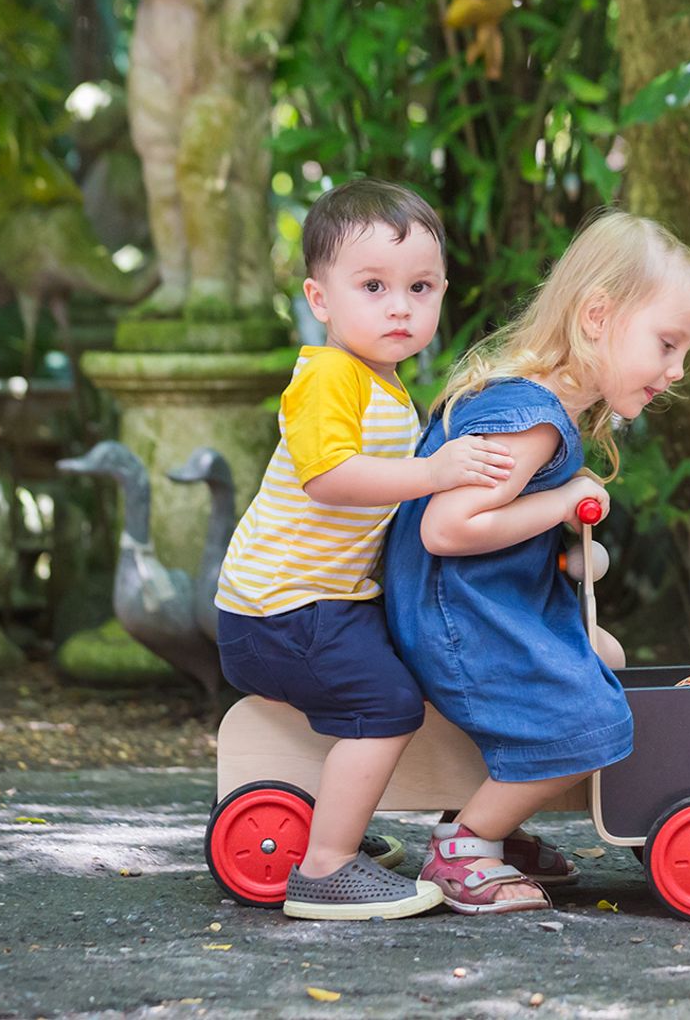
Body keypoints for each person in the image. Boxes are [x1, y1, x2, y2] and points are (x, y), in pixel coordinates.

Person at [384, 210, 690, 913]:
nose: (678, 368)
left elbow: (497, 528)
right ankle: (465, 846)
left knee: (609, 656)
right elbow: (446, 530)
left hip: (485, 602)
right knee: (590, 715)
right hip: (457, 618)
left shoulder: (545, 409)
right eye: (666, 342)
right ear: (598, 314)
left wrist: (565, 550)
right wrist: (565, 499)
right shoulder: (530, 416)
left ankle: (497, 820)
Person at [214, 179, 516, 920]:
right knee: (385, 703)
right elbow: (329, 478)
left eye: (420, 287)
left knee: (425, 661)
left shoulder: (385, 386)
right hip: (281, 606)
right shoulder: (326, 377)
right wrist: (434, 472)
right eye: (373, 286)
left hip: (325, 601)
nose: (399, 307)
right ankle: (325, 866)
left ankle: (399, 823)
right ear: (320, 299)